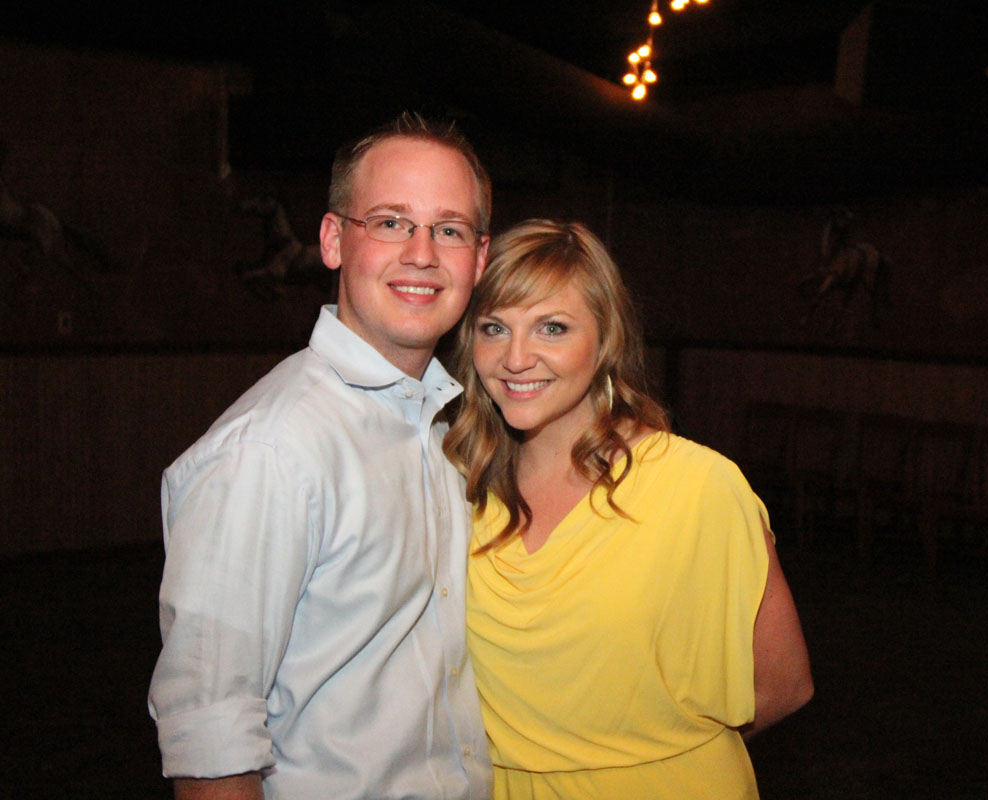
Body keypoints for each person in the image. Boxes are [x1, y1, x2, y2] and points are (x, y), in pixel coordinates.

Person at [149, 114, 493, 800]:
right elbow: (211, 742)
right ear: (333, 241)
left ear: (479, 260)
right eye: (391, 222)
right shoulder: (267, 452)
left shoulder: (440, 429)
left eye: (449, 230)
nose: (422, 253)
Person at [444, 219, 814, 799]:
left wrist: (649, 758)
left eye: (552, 327)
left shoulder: (698, 486)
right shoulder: (458, 485)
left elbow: (784, 686)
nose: (516, 358)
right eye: (494, 328)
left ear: (606, 339)